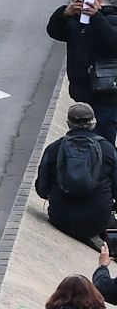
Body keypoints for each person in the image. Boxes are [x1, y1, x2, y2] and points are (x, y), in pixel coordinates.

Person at [40, 104, 117, 246]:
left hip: (60, 217)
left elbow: (42, 190)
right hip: (97, 221)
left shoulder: (53, 148)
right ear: (93, 123)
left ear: (68, 123)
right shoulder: (108, 149)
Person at [49, 0, 117, 114]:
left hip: (107, 93)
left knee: (104, 132)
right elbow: (54, 31)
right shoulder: (74, 23)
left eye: (90, 0)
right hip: (81, 95)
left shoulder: (111, 19)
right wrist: (64, 13)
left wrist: (96, 17)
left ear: (99, 1)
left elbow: (113, 44)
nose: (86, 5)